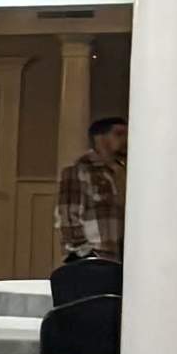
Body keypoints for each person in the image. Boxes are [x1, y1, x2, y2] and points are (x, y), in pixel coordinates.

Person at [57, 113, 127, 264]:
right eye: (119, 134)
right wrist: (85, 253)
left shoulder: (124, 172)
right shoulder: (78, 171)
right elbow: (68, 216)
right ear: (100, 138)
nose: (125, 139)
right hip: (95, 256)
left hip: (122, 255)